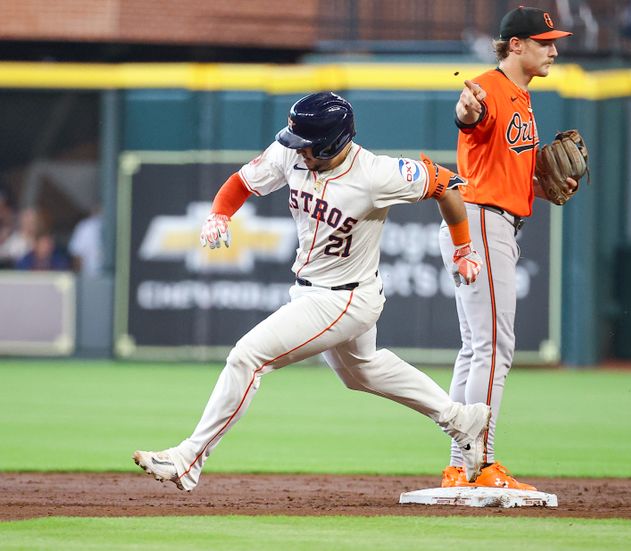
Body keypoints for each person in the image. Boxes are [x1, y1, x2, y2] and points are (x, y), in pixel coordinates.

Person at [133, 92, 491, 492]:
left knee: (247, 357)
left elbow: (447, 185)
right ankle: (462, 419)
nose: (296, 150)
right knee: (362, 372)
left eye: (306, 146)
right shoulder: (292, 151)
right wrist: (219, 212)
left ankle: (188, 458)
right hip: (313, 290)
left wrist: (463, 247)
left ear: (332, 144)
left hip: (345, 297)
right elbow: (241, 182)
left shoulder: (377, 174)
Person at [438, 6, 576, 490]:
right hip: (481, 222)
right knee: (494, 349)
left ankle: (460, 465)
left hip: (485, 220)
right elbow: (469, 116)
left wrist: (538, 186)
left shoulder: (522, 96)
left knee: (476, 349)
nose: (554, 50)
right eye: (544, 42)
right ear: (515, 44)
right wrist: (466, 112)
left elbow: (498, 167)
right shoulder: (489, 89)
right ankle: (482, 463)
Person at [68, 206, 103, 276]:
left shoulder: (113, 224)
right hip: (88, 277)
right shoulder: (86, 226)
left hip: (109, 278)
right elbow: (77, 255)